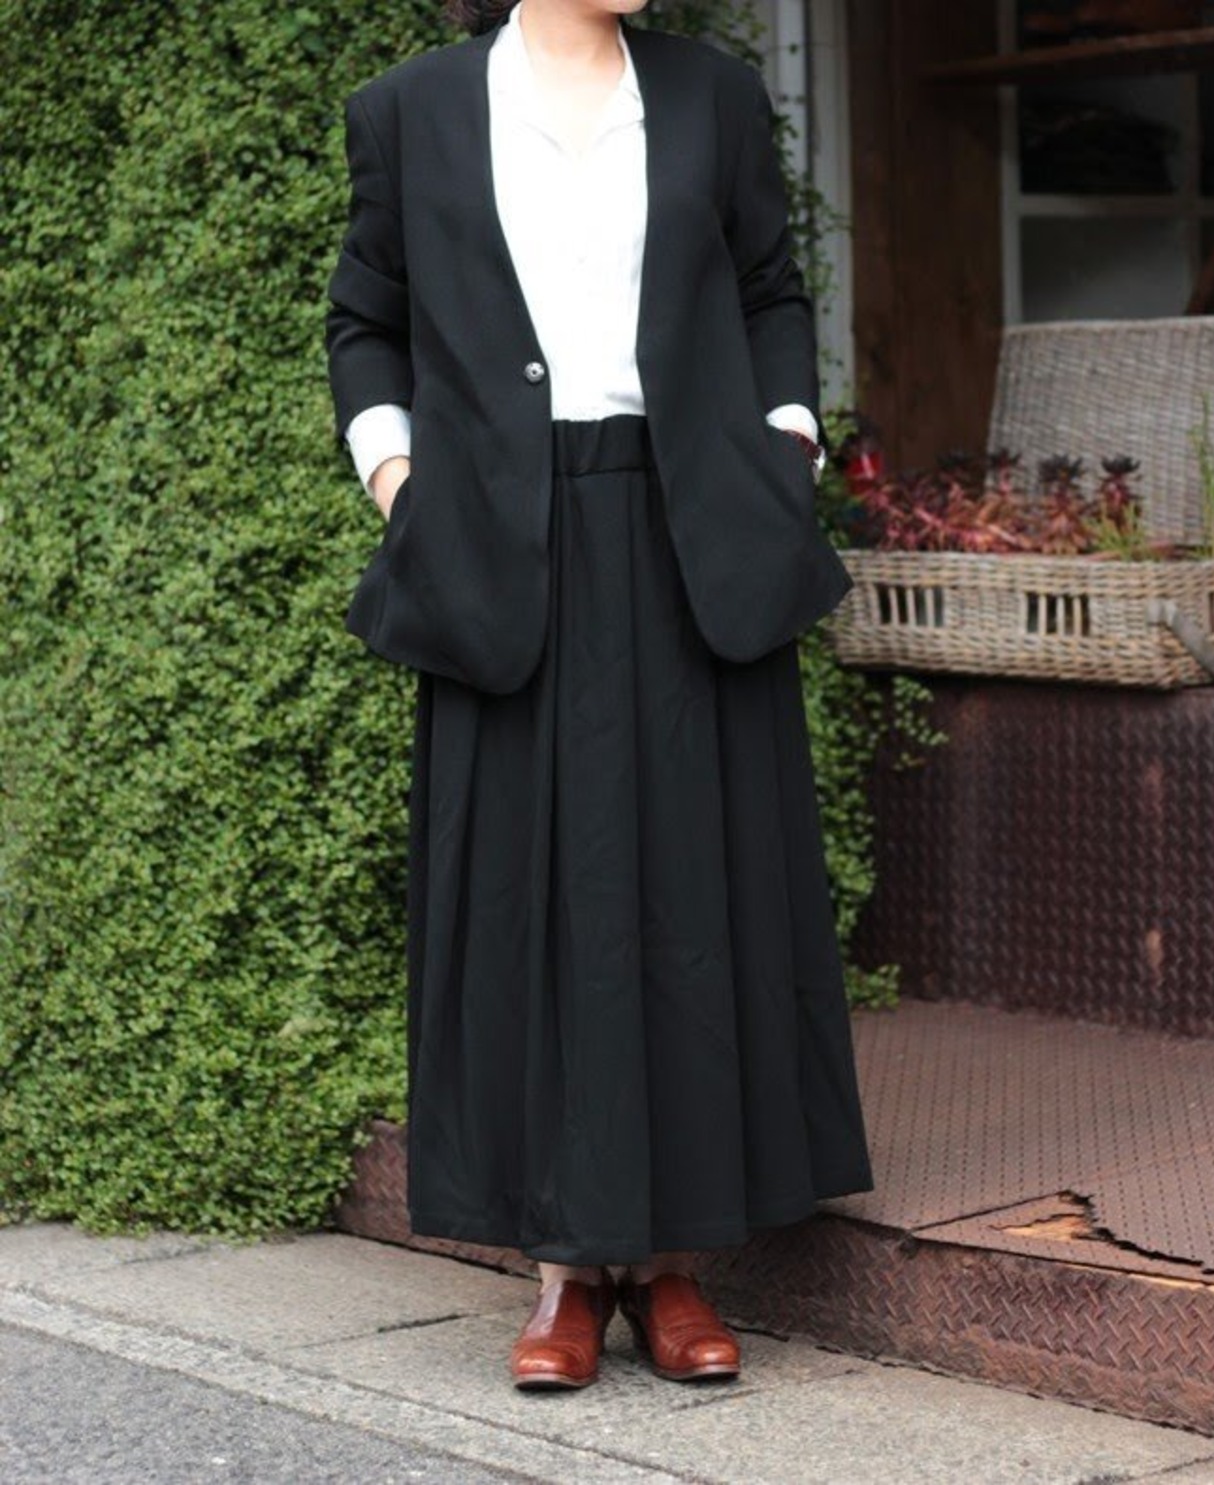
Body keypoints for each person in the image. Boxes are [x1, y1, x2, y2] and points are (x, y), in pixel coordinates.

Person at [325, 0, 874, 1393]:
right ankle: (567, 1273)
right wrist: (401, 487)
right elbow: (365, 321)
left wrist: (785, 449)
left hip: (691, 528)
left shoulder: (713, 98)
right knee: (533, 890)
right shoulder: (412, 110)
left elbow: (769, 290)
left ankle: (676, 1261)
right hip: (498, 544)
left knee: (694, 888)